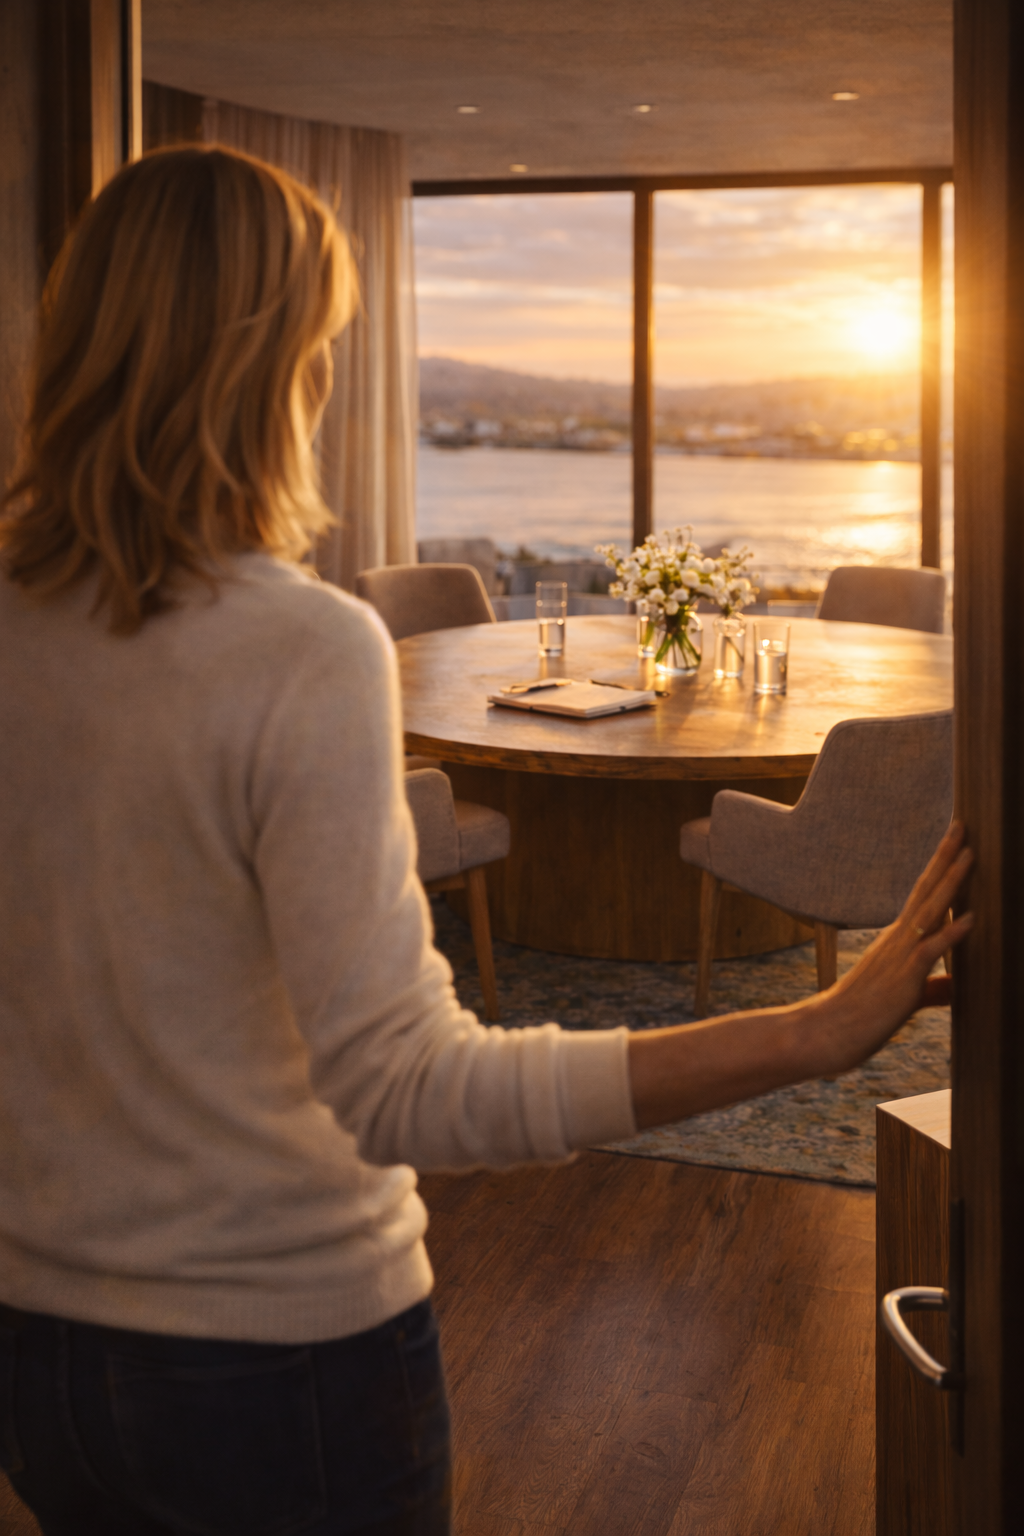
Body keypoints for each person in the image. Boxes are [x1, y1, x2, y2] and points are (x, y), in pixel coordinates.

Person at [0, 145, 971, 1536]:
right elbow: (411, 1090)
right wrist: (811, 1033)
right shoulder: (293, 646)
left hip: (40, 1351)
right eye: (318, 349)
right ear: (271, 368)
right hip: (275, 1366)